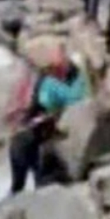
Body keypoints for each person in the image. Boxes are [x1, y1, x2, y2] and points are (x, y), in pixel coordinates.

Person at [6, 45, 89, 194]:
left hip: (36, 136)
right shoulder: (46, 82)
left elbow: (77, 97)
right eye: (55, 68)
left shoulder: (74, 77)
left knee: (33, 181)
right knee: (25, 182)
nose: (58, 71)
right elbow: (37, 107)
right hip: (30, 138)